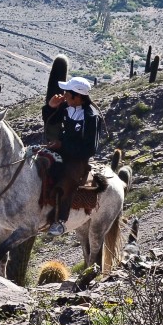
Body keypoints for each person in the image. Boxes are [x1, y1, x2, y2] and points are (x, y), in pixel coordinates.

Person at [42, 76, 100, 236]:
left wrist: (63, 146)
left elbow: (90, 149)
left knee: (67, 179)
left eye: (68, 92)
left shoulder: (91, 117)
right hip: (61, 150)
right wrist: (51, 107)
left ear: (77, 96)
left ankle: (59, 220)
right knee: (39, 162)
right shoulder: (66, 107)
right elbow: (50, 121)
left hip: (78, 159)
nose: (64, 95)